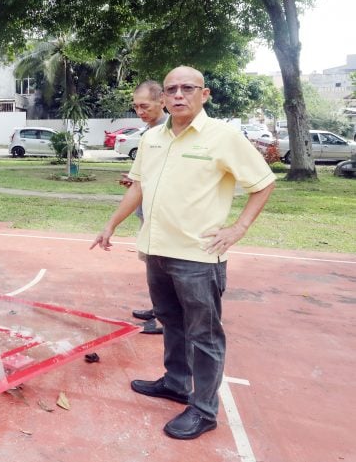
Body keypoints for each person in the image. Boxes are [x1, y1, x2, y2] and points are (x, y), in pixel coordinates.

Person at [91, 66, 275, 440]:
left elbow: (263, 182)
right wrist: (111, 224)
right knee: (170, 322)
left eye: (187, 88)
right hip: (156, 250)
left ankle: (204, 411)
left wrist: (238, 229)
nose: (178, 95)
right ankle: (176, 383)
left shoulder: (223, 137)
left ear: (204, 94)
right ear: (163, 98)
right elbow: (138, 186)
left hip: (199, 256)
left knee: (204, 337)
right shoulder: (153, 139)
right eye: (172, 89)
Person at [118, 80, 168, 335]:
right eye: (136, 107)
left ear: (162, 101)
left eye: (145, 106)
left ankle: (165, 318)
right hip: (147, 212)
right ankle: (159, 309)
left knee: (163, 269)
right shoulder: (150, 132)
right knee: (153, 266)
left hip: (163, 217)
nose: (140, 111)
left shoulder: (167, 131)